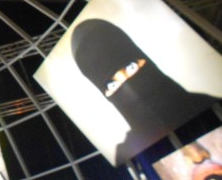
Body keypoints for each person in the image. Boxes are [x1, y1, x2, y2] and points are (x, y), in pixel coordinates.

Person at [71, 18, 220, 164]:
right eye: (112, 84)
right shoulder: (130, 154)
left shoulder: (211, 104)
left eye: (131, 67)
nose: (127, 84)